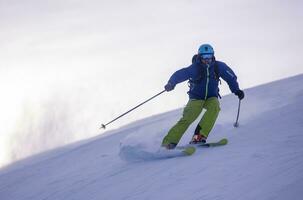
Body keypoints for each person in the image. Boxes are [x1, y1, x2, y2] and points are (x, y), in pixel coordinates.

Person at [162, 44, 244, 149]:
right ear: (200, 56)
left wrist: (236, 90)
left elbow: (231, 77)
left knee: (214, 107)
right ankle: (168, 143)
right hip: (196, 98)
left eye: (209, 56)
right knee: (188, 118)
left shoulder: (218, 66)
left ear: (213, 56)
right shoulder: (195, 68)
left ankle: (198, 137)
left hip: (211, 97)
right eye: (204, 57)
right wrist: (171, 83)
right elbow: (180, 74)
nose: (207, 59)